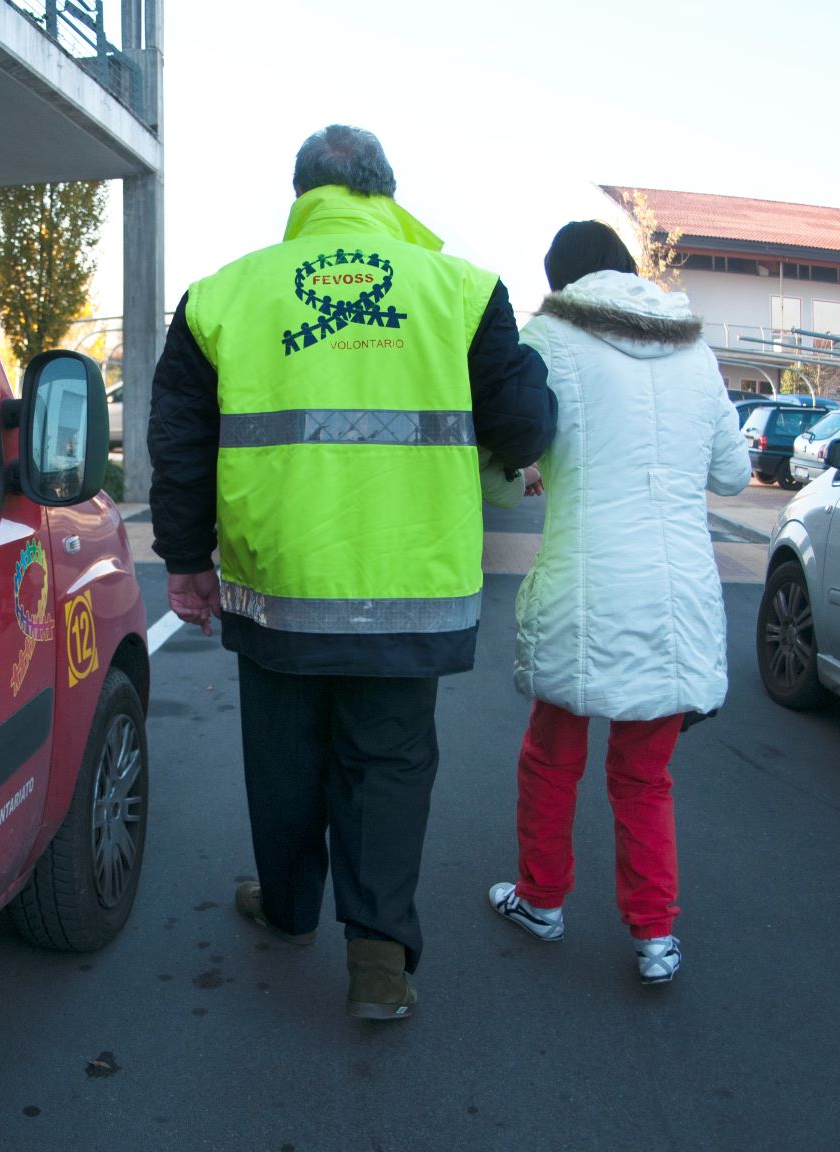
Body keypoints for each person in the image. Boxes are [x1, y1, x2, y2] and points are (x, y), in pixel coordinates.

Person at [148, 125, 557, 1021]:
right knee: (389, 763)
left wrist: (185, 562)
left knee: (284, 757)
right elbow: (524, 427)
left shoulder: (221, 296)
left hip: (277, 578)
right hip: (408, 585)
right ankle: (377, 958)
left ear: (300, 196)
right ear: (386, 192)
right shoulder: (463, 290)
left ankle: (290, 908)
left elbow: (178, 444)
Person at [486, 220, 750, 986]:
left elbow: (513, 450)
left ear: (561, 279)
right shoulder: (695, 348)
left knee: (551, 755)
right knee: (644, 774)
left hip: (584, 585)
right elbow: (733, 476)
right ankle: (654, 935)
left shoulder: (548, 337)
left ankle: (541, 898)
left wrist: (531, 476)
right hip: (678, 595)